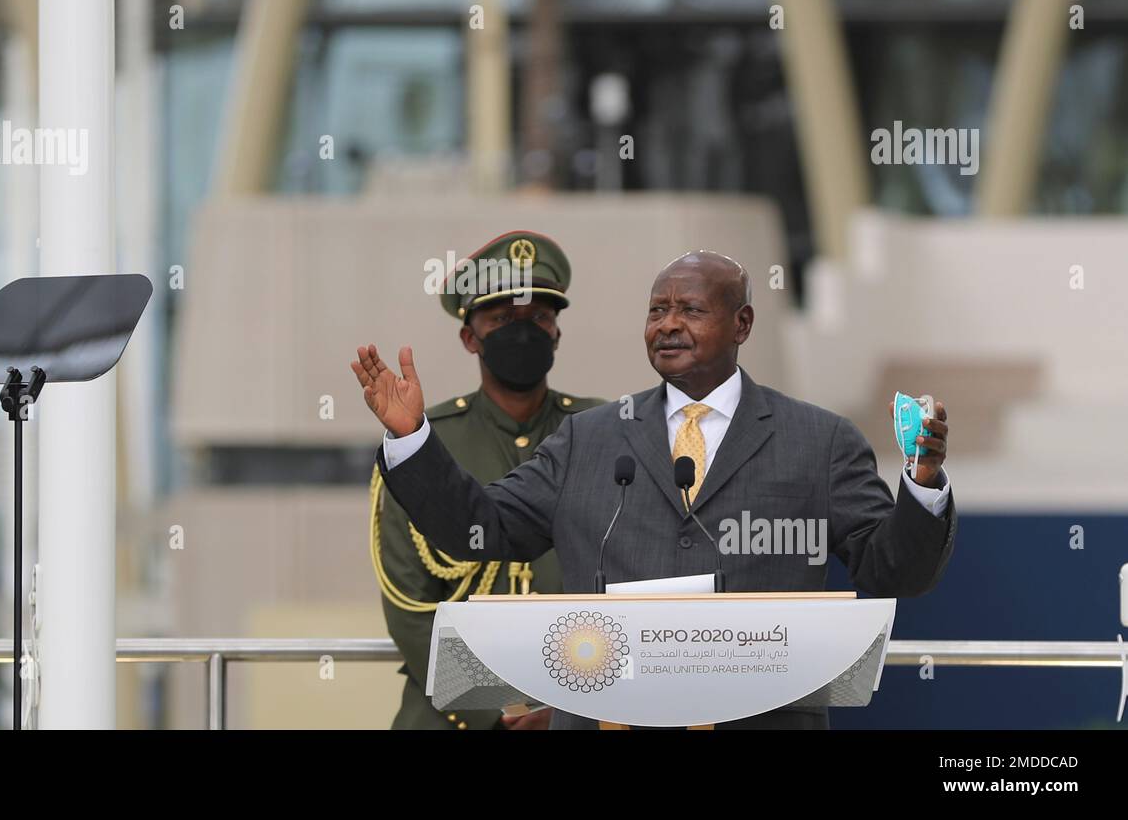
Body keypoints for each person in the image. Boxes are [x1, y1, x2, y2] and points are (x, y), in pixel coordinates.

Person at [353, 250, 956, 730]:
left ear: (741, 323)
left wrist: (922, 485)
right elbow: (479, 528)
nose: (668, 324)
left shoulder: (819, 440)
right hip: (610, 719)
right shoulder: (586, 438)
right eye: (657, 310)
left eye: (690, 310)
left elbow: (891, 572)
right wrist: (412, 440)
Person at [370, 231, 605, 730]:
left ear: (558, 331)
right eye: (501, 320)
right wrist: (497, 711)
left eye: (539, 318)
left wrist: (563, 711)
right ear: (469, 337)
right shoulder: (423, 442)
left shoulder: (603, 433)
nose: (524, 331)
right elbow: (410, 605)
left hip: (584, 710)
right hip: (455, 718)